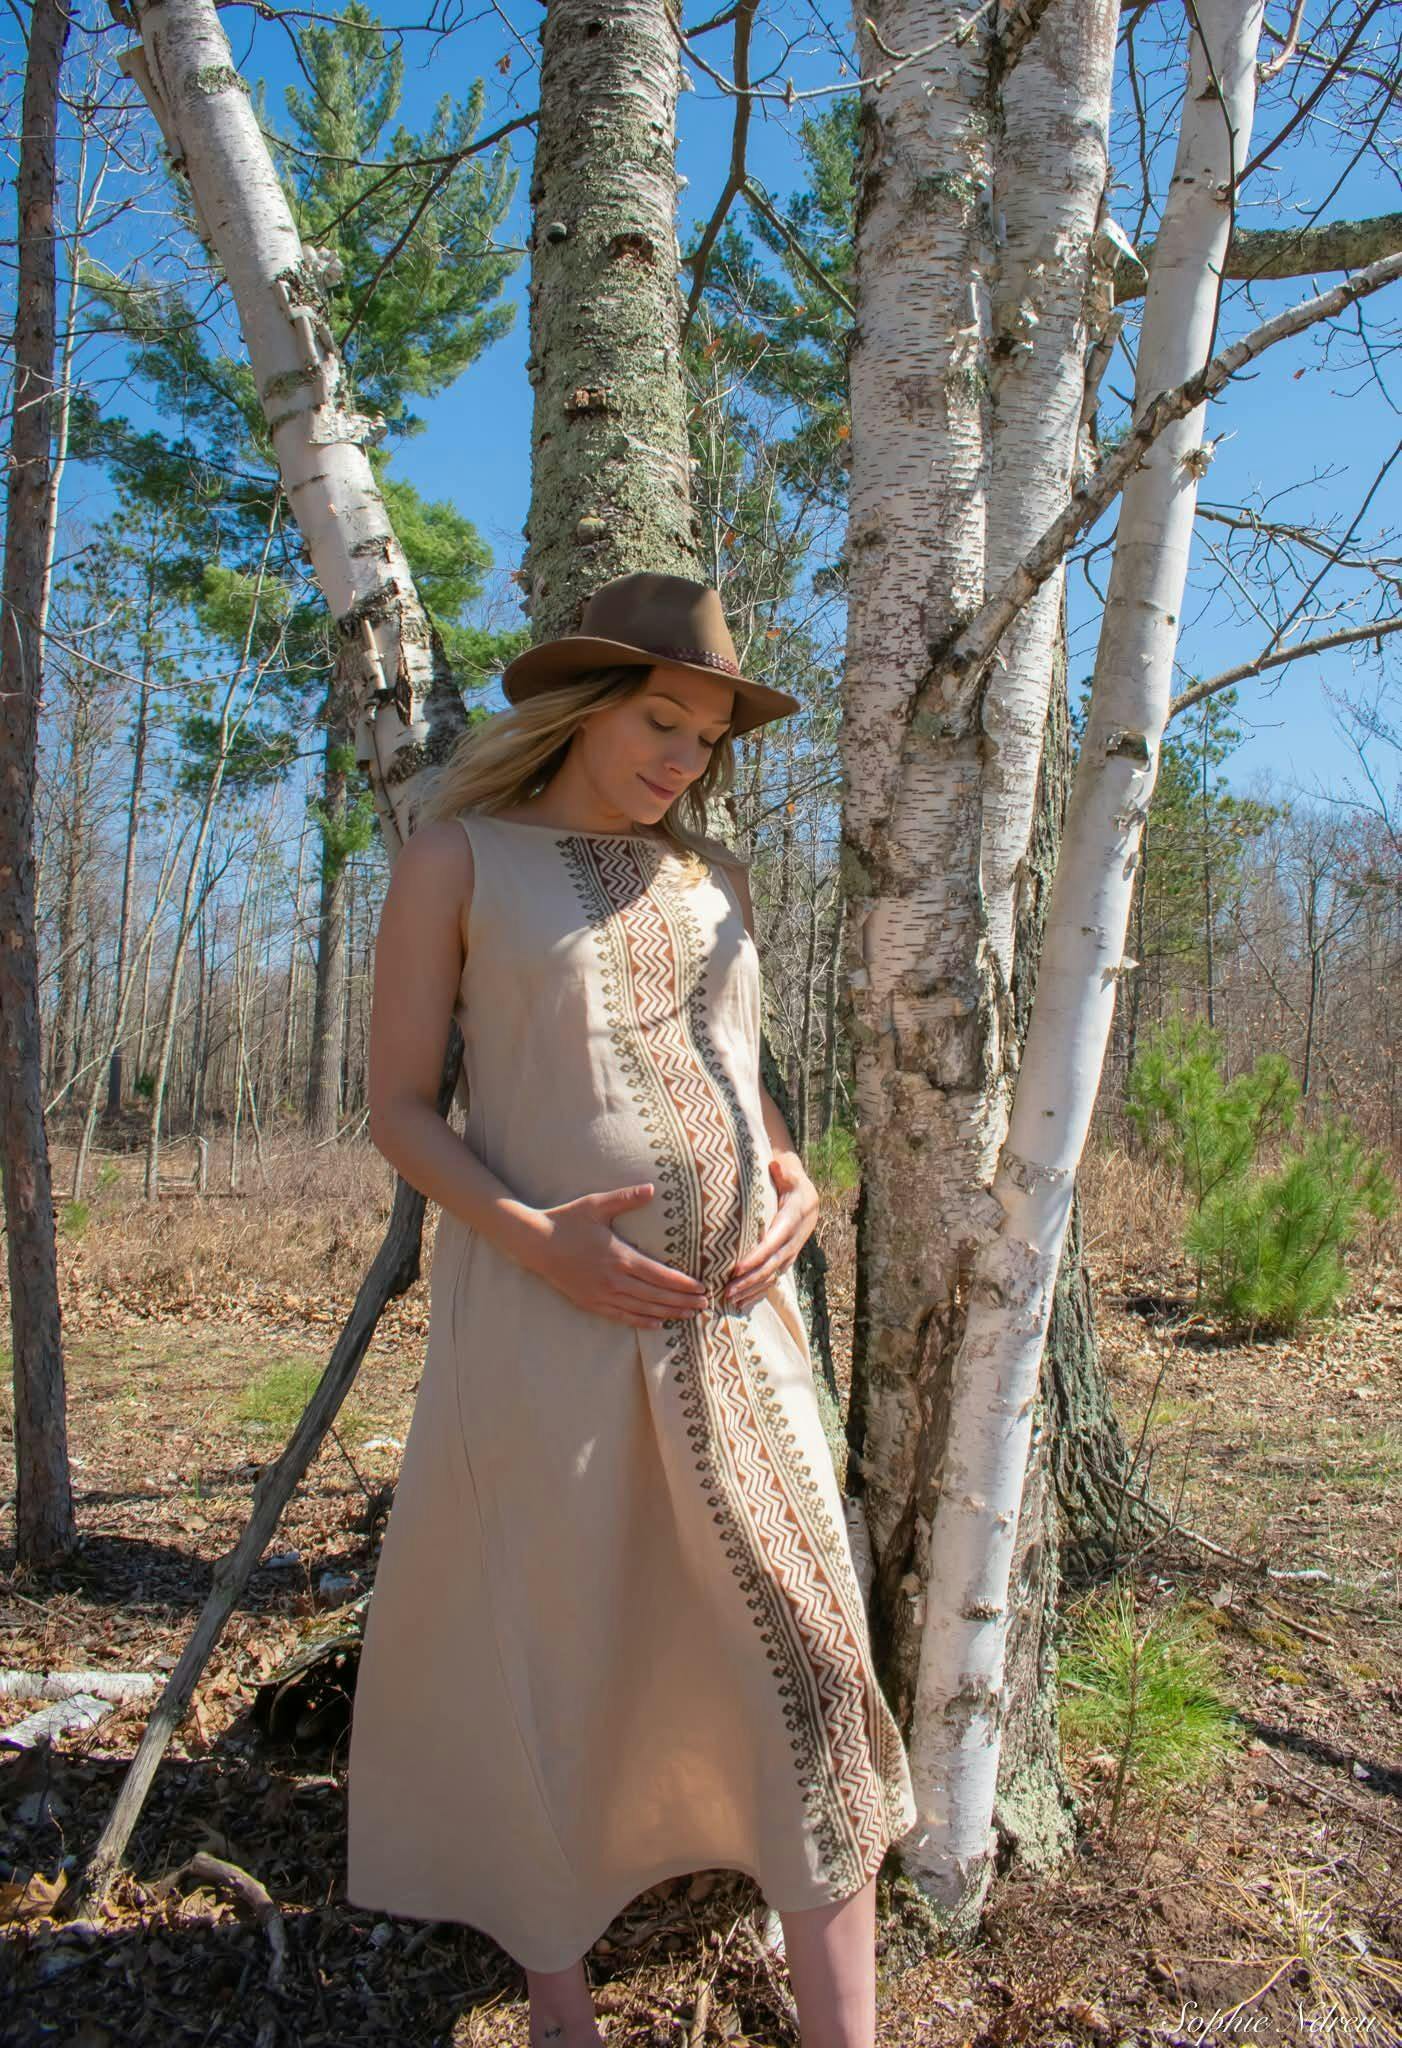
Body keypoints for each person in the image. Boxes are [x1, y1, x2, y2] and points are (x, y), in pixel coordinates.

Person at [346, 572, 916, 2048]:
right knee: (560, 1650)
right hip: (547, 1324)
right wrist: (541, 1243)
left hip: (737, 1332)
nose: (684, 759)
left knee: (813, 1656)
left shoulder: (712, 879)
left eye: (708, 739)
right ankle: (559, 2007)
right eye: (662, 721)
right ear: (583, 708)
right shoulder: (459, 859)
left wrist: (788, 1167)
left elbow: (733, 1060)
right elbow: (399, 1111)